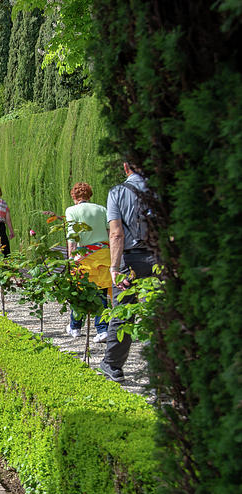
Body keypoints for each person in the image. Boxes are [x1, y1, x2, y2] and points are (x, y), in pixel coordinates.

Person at [100, 163, 157, 382]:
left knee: (123, 312)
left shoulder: (117, 192)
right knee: (157, 310)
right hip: (157, 258)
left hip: (129, 260)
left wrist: (114, 267)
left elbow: (116, 234)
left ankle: (113, 366)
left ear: (125, 166)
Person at [63, 182, 110, 341]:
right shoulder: (102, 209)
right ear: (89, 195)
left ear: (74, 196)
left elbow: (72, 236)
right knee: (101, 293)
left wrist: (70, 258)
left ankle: (75, 327)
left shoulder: (71, 210)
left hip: (83, 256)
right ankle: (102, 330)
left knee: (79, 292)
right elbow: (110, 232)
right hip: (103, 255)